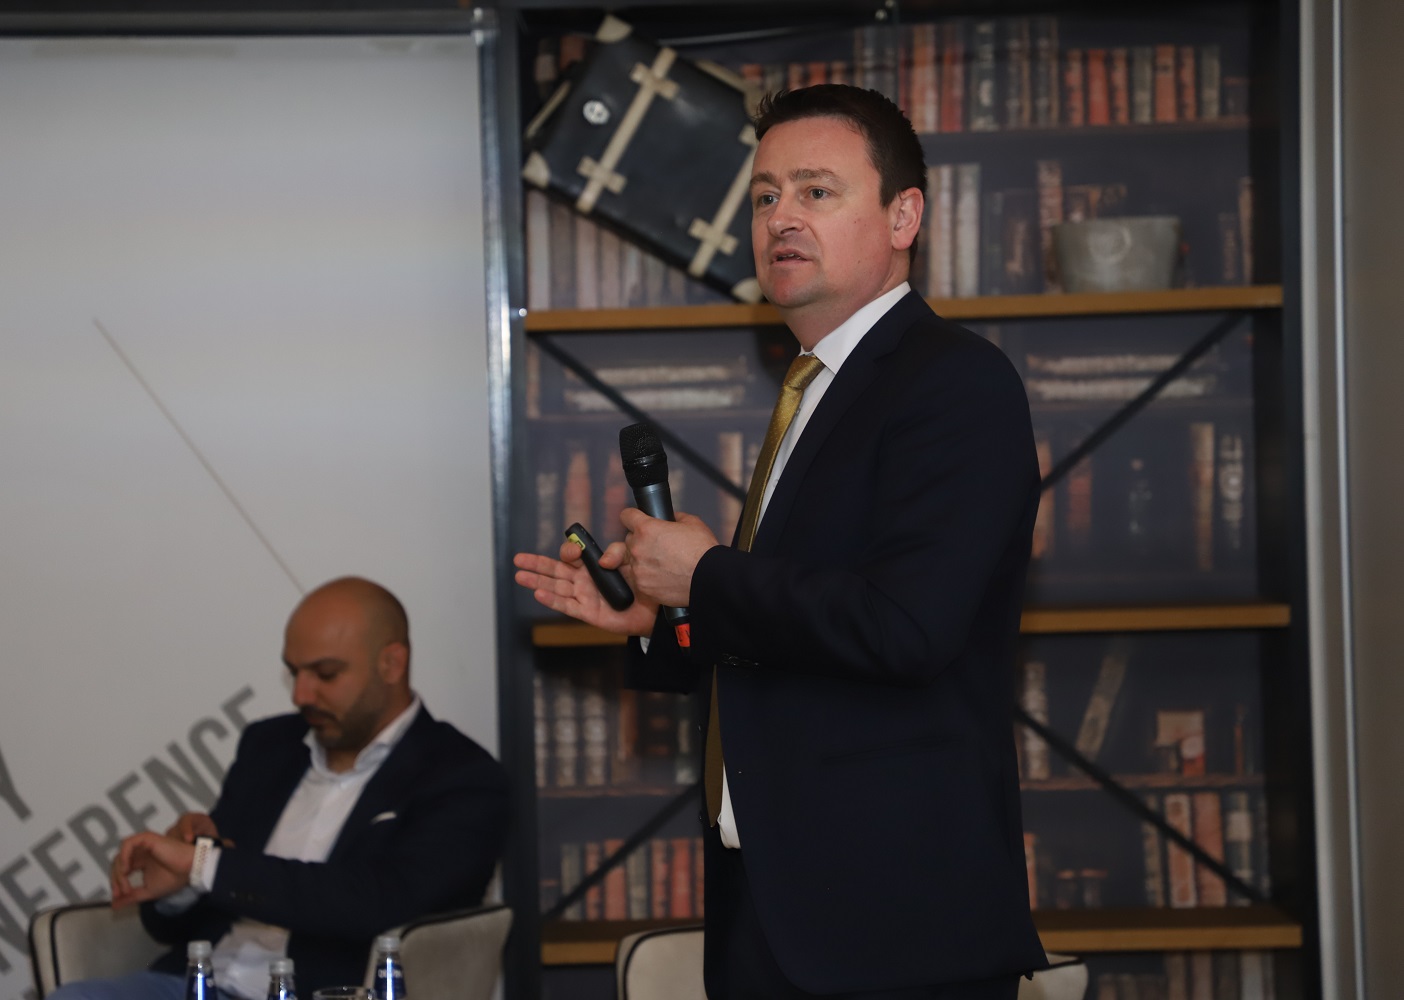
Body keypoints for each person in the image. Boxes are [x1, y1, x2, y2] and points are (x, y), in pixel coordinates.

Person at [514, 85, 1047, 999]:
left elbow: (907, 628)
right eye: (765, 196)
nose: (781, 218)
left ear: (904, 216)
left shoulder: (955, 382)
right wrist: (663, 616)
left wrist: (707, 574)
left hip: (891, 930)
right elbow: (795, 636)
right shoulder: (814, 386)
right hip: (770, 909)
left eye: (816, 191)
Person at [53, 577, 509, 1000]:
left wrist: (206, 865)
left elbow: (375, 902)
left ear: (391, 663)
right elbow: (198, 906)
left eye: (325, 674)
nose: (301, 695)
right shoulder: (269, 746)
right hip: (194, 985)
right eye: (294, 672)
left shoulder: (460, 777)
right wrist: (183, 884)